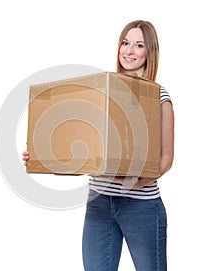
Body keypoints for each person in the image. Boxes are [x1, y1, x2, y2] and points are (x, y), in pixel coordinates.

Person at [23, 20, 174, 271]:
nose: (128, 51)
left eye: (138, 45)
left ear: (150, 52)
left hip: (141, 206)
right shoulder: (102, 92)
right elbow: (86, 153)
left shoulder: (159, 97)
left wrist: (133, 182)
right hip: (99, 204)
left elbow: (166, 159)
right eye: (125, 43)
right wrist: (45, 154)